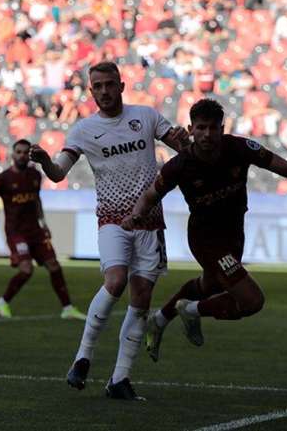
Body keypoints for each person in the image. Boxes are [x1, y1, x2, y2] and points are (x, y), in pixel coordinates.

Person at [122, 98, 287, 362]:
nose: (207, 134)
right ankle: (190, 310)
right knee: (252, 301)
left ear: (222, 128)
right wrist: (136, 217)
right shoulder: (180, 166)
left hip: (234, 235)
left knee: (208, 285)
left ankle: (159, 320)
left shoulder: (239, 148)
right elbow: (150, 195)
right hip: (205, 238)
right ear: (191, 129)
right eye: (201, 128)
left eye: (213, 128)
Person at [30, 61, 188, 400]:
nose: (104, 91)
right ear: (91, 91)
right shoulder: (84, 130)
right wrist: (44, 161)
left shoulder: (146, 116)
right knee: (115, 281)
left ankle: (119, 379)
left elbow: (182, 149)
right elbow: (59, 173)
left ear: (121, 85)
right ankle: (83, 356)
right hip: (112, 219)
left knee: (141, 299)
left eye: (109, 84)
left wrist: (186, 140)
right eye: (97, 86)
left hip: (150, 222)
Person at [0, 139, 86, 321]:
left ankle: (68, 308)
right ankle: (2, 302)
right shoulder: (2, 179)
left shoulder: (35, 175)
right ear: (13, 154)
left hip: (36, 231)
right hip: (16, 233)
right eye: (19, 152)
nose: (22, 155)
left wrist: (43, 222)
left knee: (54, 266)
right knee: (26, 269)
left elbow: (36, 200)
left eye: (25, 152)